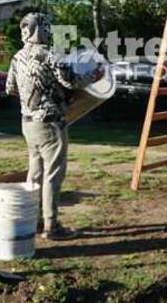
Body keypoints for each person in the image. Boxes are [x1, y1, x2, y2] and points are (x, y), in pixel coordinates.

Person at [6, 12, 99, 241]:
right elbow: (71, 81)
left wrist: (32, 94)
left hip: (28, 124)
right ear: (44, 29)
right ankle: (52, 226)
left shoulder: (17, 57)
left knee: (35, 174)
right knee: (53, 175)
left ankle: (34, 220)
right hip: (50, 124)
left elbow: (10, 88)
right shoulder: (50, 54)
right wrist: (93, 76)